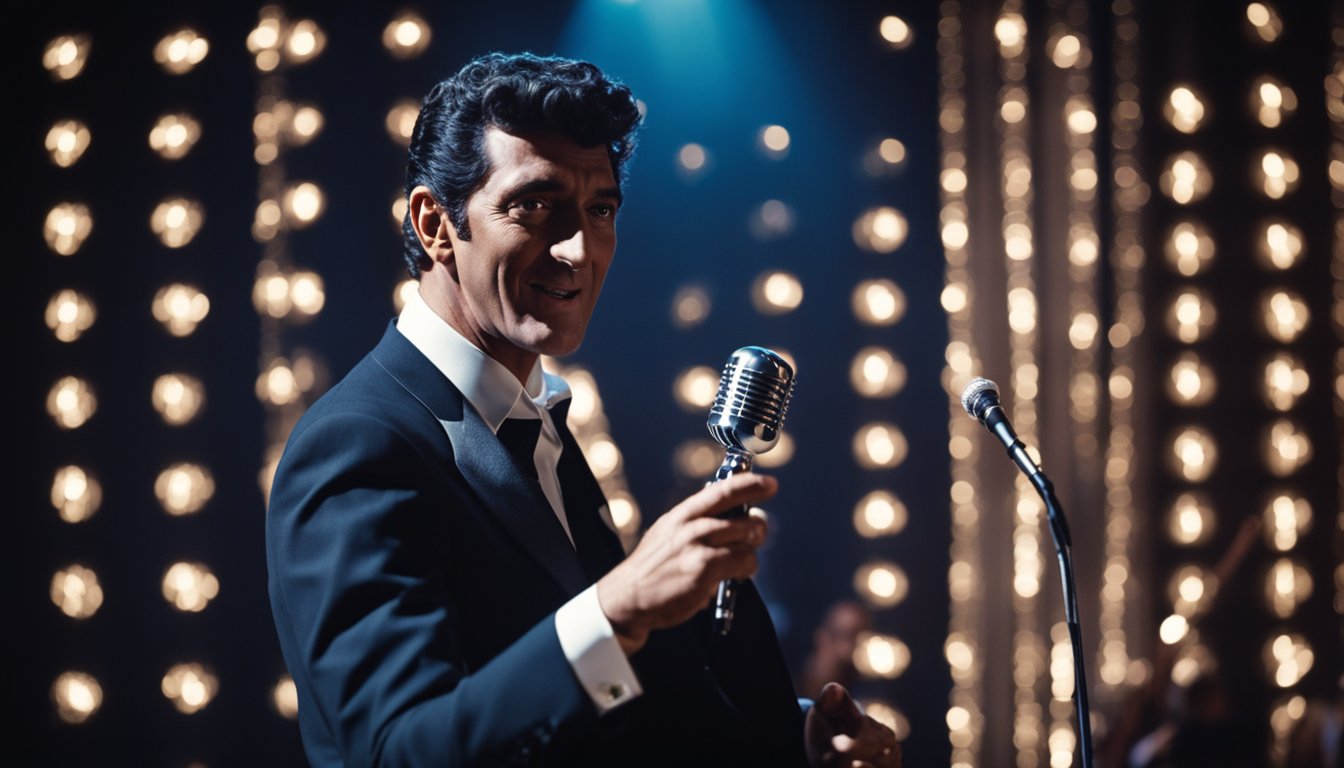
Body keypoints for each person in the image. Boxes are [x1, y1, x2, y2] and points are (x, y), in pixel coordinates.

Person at [265, 52, 899, 767]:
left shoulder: (538, 427)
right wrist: (615, 609)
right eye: (533, 205)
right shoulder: (358, 445)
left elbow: (602, 710)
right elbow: (397, 752)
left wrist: (792, 735)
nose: (577, 250)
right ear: (435, 223)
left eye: (599, 210)